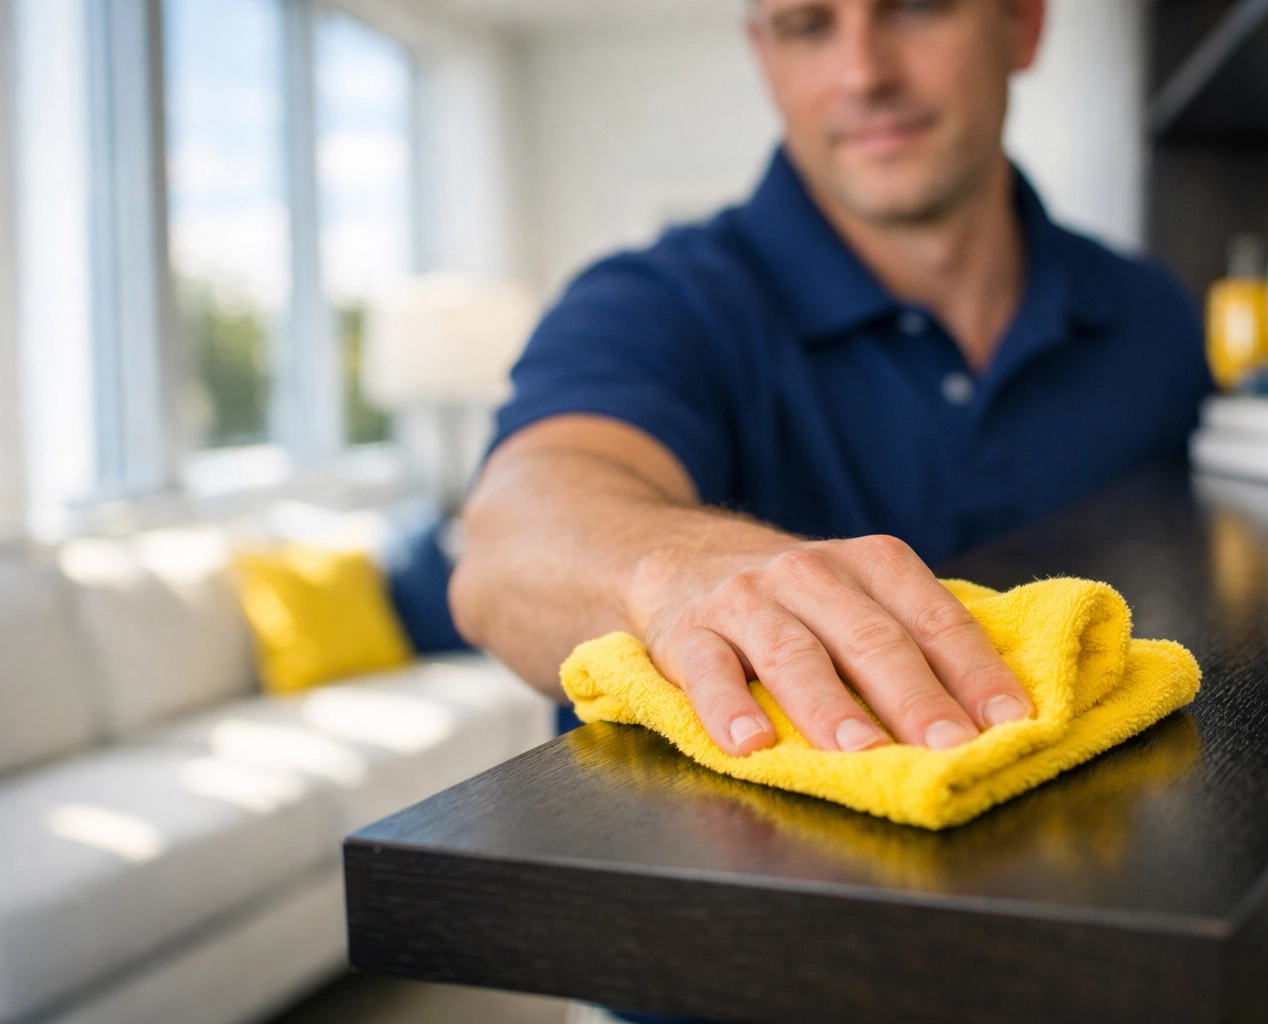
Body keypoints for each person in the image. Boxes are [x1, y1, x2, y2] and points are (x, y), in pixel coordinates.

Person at [451, 0, 1210, 766]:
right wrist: (674, 574)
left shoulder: (1152, 316)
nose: (864, 75)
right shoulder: (654, 303)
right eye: (808, 26)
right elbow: (512, 541)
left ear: (1023, 24)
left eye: (916, 9)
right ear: (765, 60)